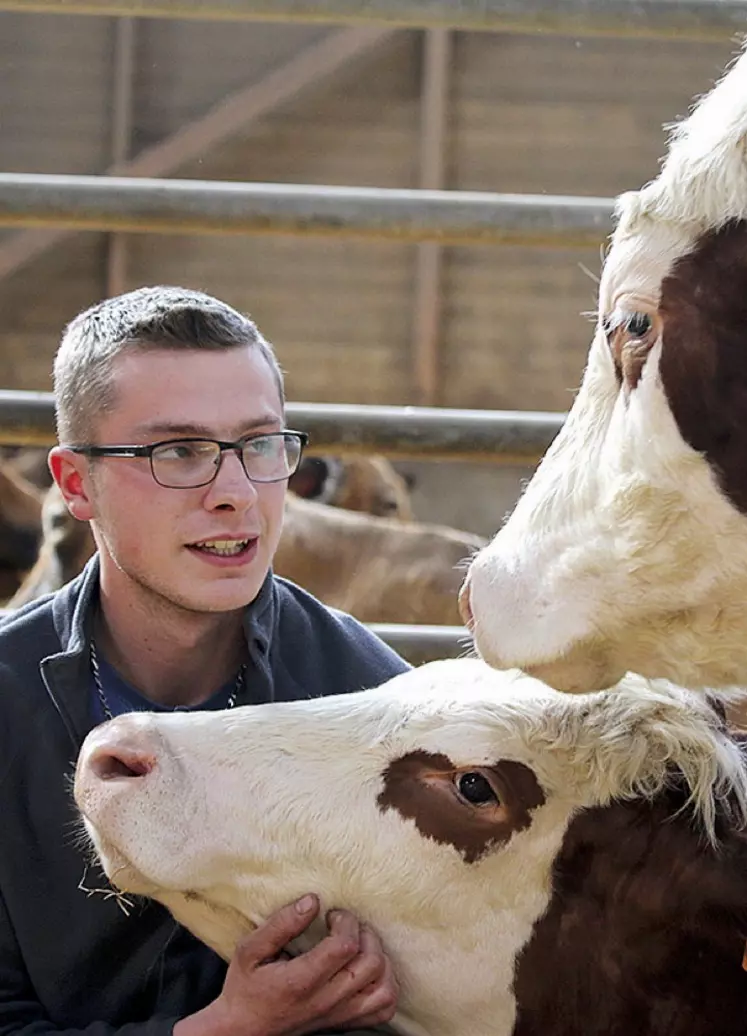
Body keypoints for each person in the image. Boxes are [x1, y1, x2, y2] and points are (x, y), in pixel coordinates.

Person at [0, 286, 410, 1036]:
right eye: (177, 452)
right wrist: (227, 1029)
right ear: (74, 483)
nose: (234, 494)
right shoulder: (4, 705)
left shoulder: (377, 702)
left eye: (259, 444)